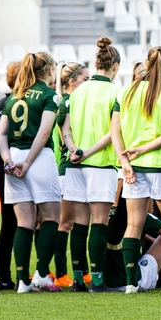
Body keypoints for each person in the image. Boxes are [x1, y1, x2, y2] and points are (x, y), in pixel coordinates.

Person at [111, 46, 161, 293]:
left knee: (134, 224)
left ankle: (131, 283)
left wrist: (125, 162)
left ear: (146, 61)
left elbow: (115, 132)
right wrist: (142, 151)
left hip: (133, 169)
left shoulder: (125, 92)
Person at [0, 52, 62, 293]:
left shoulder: (15, 96)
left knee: (23, 222)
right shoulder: (49, 95)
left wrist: (9, 159)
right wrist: (28, 162)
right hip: (38, 157)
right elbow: (44, 133)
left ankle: (22, 280)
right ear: (50, 69)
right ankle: (42, 274)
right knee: (52, 217)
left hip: (14, 157)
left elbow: (0, 133)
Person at [61, 37, 121, 292]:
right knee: (99, 222)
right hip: (100, 163)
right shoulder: (117, 92)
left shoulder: (78, 91)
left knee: (79, 224)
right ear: (115, 66)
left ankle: (77, 280)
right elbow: (113, 132)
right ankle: (96, 280)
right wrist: (87, 152)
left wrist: (74, 149)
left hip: (75, 164)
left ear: (96, 63)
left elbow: (66, 128)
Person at [51, 62, 90, 287]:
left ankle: (78, 271)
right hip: (69, 166)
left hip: (77, 165)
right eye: (85, 79)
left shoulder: (77, 101)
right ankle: (61, 272)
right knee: (65, 222)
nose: (89, 83)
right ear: (72, 82)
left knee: (74, 223)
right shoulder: (68, 102)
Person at [0, 61, 21, 291]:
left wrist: (0, 166)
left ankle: (5, 278)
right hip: (20, 171)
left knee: (8, 226)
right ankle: (24, 276)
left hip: (5, 174)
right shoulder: (20, 105)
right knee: (25, 225)